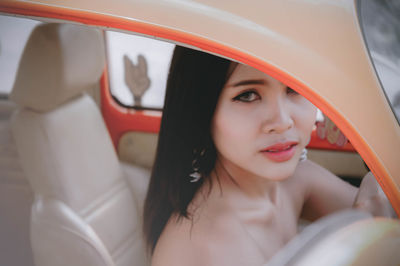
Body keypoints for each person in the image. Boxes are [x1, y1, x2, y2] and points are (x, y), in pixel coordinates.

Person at [143, 46, 395, 266]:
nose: (283, 121)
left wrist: (361, 131)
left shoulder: (295, 181)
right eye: (248, 95)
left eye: (295, 87)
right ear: (202, 111)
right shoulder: (209, 250)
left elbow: (382, 208)